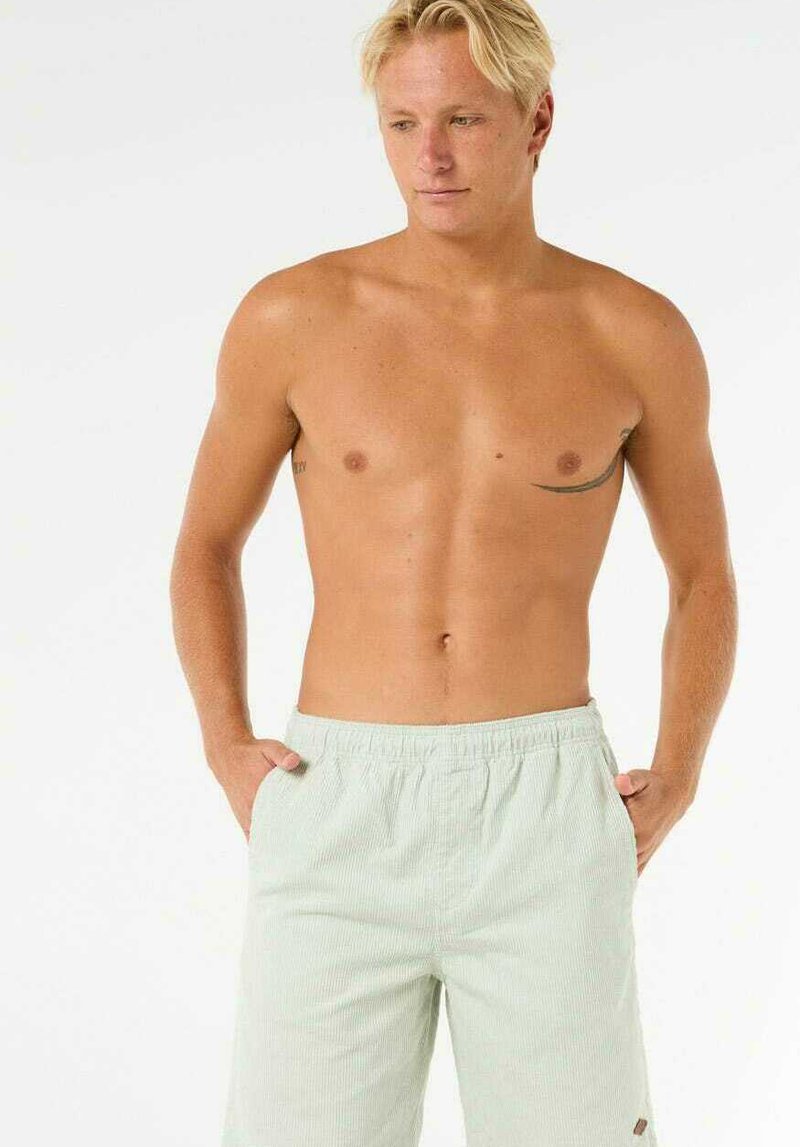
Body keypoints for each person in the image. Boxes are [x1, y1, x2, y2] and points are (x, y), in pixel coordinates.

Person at [169, 2, 737, 1144]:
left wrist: (679, 770)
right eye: (401, 123)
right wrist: (226, 743)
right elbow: (205, 548)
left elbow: (701, 577)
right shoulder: (294, 316)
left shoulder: (633, 331)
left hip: (543, 807)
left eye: (464, 120)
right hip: (338, 795)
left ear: (537, 122)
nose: (428, 156)